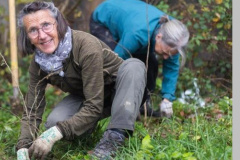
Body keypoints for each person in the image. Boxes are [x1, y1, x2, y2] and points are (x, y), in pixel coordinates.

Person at [15, 2, 147, 159]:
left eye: (46, 25)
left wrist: (57, 132)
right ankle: (86, 135)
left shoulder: (85, 46)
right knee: (54, 122)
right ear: (27, 36)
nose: (42, 35)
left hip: (123, 90)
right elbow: (32, 110)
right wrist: (23, 146)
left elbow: (94, 105)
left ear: (58, 24)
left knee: (134, 66)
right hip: (89, 95)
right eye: (33, 30)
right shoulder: (38, 64)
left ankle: (114, 137)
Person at [90, 0, 190, 118]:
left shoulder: (174, 35)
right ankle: (112, 106)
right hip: (103, 20)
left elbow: (172, 67)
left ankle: (142, 105)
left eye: (169, 54)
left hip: (132, 19)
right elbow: (115, 63)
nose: (166, 57)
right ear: (159, 37)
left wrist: (167, 99)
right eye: (165, 52)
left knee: (151, 65)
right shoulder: (137, 34)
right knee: (121, 65)